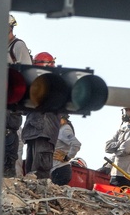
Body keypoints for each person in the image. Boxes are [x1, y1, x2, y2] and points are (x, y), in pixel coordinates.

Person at [21, 52, 61, 180]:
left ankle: (42, 197)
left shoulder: (54, 83)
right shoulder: (36, 83)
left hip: (44, 132)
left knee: (40, 170)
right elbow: (24, 109)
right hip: (33, 130)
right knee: (30, 170)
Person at [6, 14, 31, 177]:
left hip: (12, 101)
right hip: (0, 99)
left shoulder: (18, 45)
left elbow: (28, 74)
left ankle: (9, 174)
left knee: (10, 137)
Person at [50, 114, 82, 185]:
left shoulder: (65, 130)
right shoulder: (60, 130)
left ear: (62, 119)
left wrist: (66, 157)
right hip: (57, 170)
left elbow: (76, 144)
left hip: (60, 169)